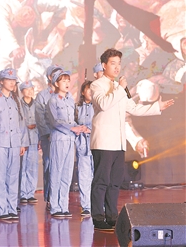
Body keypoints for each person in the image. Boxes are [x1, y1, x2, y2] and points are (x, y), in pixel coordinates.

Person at [90, 48, 174, 230]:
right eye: (113, 63)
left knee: (114, 181)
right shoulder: (97, 85)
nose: (117, 67)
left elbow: (134, 109)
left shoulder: (121, 88)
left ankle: (111, 216)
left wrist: (156, 107)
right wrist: (120, 88)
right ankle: (97, 217)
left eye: (119, 63)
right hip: (103, 142)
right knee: (101, 180)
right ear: (104, 66)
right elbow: (104, 104)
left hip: (119, 143)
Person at [0, 68, 28, 222]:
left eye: (14, 80)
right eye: (8, 80)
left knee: (13, 177)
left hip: (15, 143)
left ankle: (11, 208)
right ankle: (2, 210)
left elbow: (22, 123)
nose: (12, 83)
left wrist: (23, 143)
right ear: (1, 81)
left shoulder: (16, 101)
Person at [46, 69, 84, 218]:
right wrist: (72, 127)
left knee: (67, 173)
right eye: (63, 80)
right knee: (56, 172)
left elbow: (72, 119)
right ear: (56, 83)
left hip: (70, 140)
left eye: (68, 80)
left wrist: (80, 127)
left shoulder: (70, 100)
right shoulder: (53, 100)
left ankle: (64, 205)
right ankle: (55, 206)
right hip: (59, 139)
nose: (67, 83)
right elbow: (55, 121)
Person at [34, 65, 59, 210]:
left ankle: (60, 198)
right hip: (49, 137)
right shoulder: (43, 95)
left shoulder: (65, 94)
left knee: (61, 167)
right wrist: (47, 133)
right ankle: (50, 198)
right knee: (49, 166)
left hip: (63, 138)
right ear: (50, 77)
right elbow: (40, 117)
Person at [74, 80, 94, 217]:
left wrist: (90, 129)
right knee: (84, 176)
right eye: (88, 89)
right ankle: (86, 206)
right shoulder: (76, 108)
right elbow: (72, 124)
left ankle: (99, 205)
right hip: (82, 145)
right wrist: (78, 129)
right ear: (83, 92)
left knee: (97, 176)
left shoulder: (99, 107)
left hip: (97, 144)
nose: (91, 92)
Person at [18, 81, 39, 204]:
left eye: (31, 88)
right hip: (22, 140)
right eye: (26, 89)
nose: (30, 91)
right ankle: (22, 193)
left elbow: (41, 121)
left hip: (34, 138)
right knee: (22, 167)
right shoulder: (18, 104)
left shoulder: (37, 104)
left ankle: (30, 193)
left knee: (32, 167)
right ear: (22, 92)